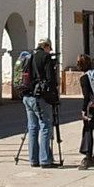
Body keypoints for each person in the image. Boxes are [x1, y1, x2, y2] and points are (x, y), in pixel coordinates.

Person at [22, 38, 59, 168]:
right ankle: (45, 159)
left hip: (27, 95)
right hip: (39, 97)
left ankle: (33, 159)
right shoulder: (45, 57)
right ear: (46, 46)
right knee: (45, 126)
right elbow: (50, 78)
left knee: (32, 128)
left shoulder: (28, 56)